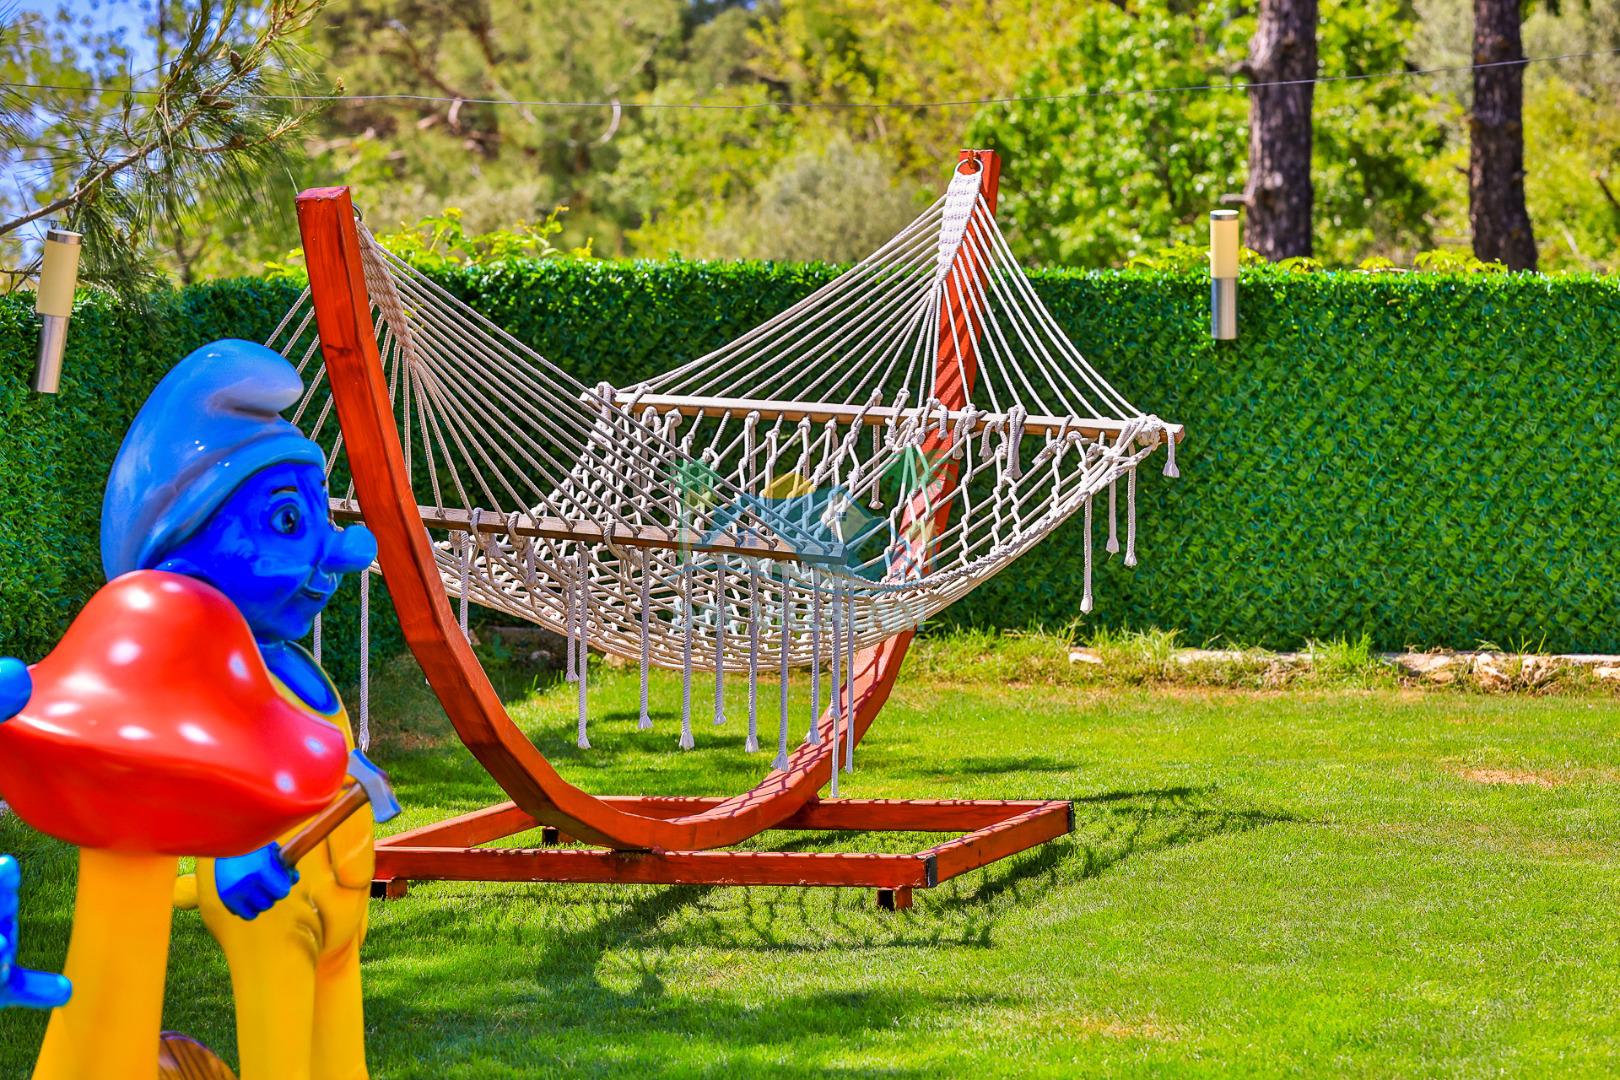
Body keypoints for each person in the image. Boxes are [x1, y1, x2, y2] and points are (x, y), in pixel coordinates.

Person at [101, 338, 380, 1080]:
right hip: (268, 891)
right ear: (179, 558)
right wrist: (228, 856)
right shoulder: (216, 675)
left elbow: (318, 752)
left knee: (341, 1059)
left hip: (340, 893)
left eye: (323, 518)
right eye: (287, 522)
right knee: (279, 1054)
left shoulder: (291, 666)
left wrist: (358, 773)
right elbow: (190, 771)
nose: (336, 552)